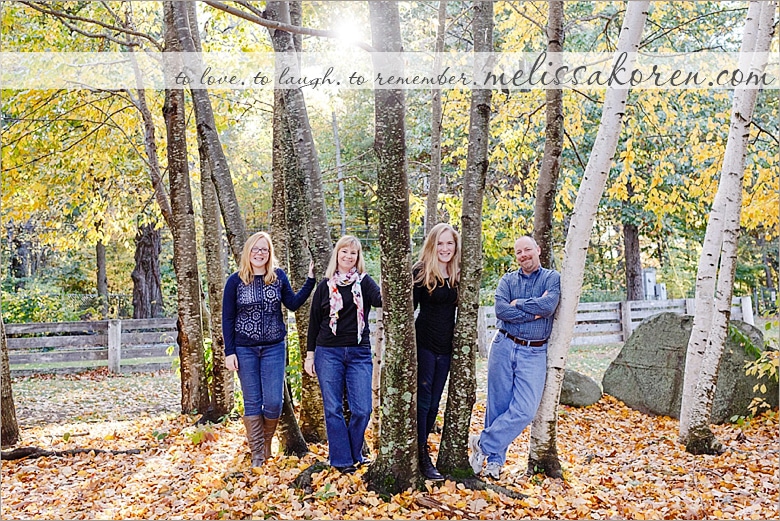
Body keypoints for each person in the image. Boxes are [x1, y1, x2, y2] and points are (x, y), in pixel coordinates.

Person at [469, 236, 560, 480]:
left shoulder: (551, 278)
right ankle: (493, 463)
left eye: (527, 249)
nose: (523, 255)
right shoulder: (507, 280)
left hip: (534, 351)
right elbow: (501, 311)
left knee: (525, 410)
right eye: (518, 252)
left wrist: (518, 304)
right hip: (503, 345)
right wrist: (532, 313)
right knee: (497, 406)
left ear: (538, 250)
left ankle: (482, 444)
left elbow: (548, 306)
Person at [222, 231, 315, 468]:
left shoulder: (278, 277)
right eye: (255, 249)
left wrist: (311, 281)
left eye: (264, 249)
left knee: (274, 402)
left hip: (274, 347)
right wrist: (229, 352)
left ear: (269, 252)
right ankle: (258, 456)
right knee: (252, 401)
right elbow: (228, 318)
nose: (259, 253)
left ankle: (264, 443)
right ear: (248, 252)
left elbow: (292, 304)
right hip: (244, 349)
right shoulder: (235, 281)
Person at [304, 235, 382, 474]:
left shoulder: (364, 283)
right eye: (344, 252)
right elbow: (314, 322)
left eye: (353, 253)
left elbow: (382, 301)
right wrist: (309, 356)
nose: (349, 257)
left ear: (358, 258)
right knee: (333, 408)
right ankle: (342, 460)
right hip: (328, 352)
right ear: (337, 254)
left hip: (358, 352)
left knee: (362, 409)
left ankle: (354, 452)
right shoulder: (324, 286)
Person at [412, 223, 460, 480]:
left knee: (434, 405)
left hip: (446, 348)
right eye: (440, 243)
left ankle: (423, 447)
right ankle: (421, 456)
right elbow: (408, 311)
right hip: (425, 344)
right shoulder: (421, 272)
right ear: (432, 245)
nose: (445, 248)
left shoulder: (458, 273)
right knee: (423, 401)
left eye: (449, 243)